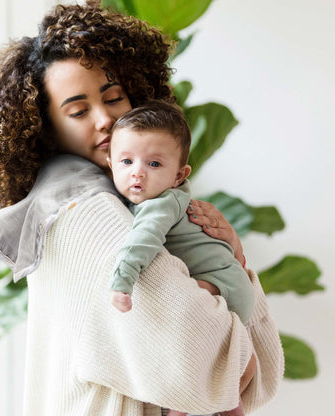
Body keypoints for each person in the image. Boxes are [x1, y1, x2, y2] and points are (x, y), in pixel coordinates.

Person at [0, 1, 284, 415]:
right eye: (78, 111)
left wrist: (231, 259)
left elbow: (255, 378)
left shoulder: (125, 201)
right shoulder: (86, 213)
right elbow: (228, 369)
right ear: (42, 130)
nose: (106, 120)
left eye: (114, 98)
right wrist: (233, 284)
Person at [107, 101, 256, 416]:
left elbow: (142, 241)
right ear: (111, 164)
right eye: (126, 161)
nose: (137, 172)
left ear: (179, 175)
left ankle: (179, 407)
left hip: (219, 285)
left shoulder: (159, 205)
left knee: (182, 351)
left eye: (154, 164)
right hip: (232, 284)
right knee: (223, 376)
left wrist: (122, 282)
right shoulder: (167, 199)